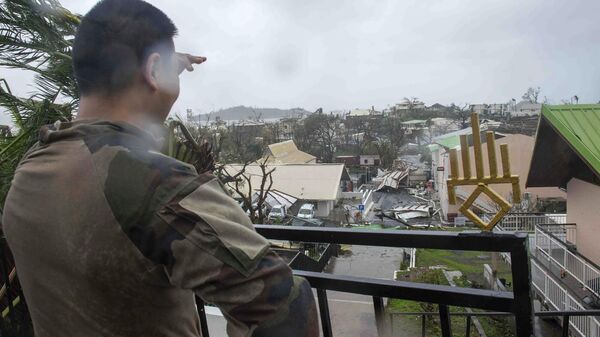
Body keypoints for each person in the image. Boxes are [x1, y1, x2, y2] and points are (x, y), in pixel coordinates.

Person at [1, 0, 319, 336]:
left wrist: (161, 66)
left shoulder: (33, 166)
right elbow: (284, 306)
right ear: (153, 72)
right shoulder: (153, 184)